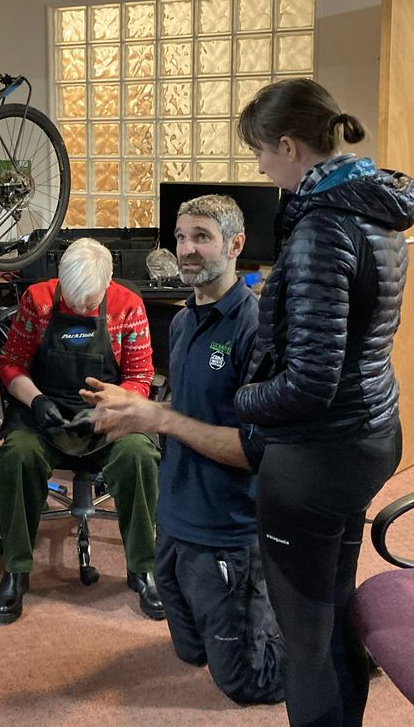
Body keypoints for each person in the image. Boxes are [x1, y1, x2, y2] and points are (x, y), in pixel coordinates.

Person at [235, 78, 414, 726]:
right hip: (369, 429)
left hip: (318, 454)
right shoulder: (376, 205)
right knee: (334, 605)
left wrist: (243, 400)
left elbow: (307, 383)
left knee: (306, 640)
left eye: (260, 151)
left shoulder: (322, 227)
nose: (258, 167)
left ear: (289, 146)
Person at [81, 197, 285, 706]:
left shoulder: (255, 331)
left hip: (226, 530)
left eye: (202, 237)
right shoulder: (182, 321)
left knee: (245, 683)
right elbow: (185, 408)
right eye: (180, 237)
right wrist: (133, 406)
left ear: (236, 245)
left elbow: (253, 451)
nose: (186, 250)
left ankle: (337, 642)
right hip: (174, 520)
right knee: (189, 652)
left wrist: (155, 417)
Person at [0, 238, 160, 623]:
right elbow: (11, 364)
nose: (81, 308)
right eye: (73, 299)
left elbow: (140, 376)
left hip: (106, 417)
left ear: (108, 282)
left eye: (89, 301)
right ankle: (16, 569)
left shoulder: (126, 306)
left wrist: (107, 406)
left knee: (139, 455)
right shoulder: (38, 300)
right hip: (44, 413)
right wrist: (35, 400)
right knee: (16, 454)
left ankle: (142, 567)